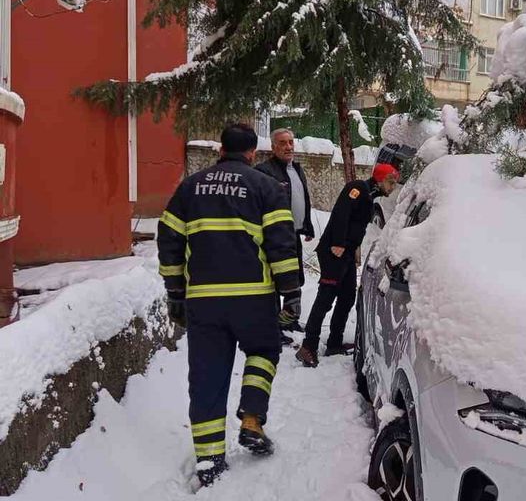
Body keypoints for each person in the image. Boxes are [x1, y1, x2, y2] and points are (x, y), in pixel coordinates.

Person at [157, 123, 302, 487]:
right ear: (253, 152)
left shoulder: (190, 187)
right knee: (264, 350)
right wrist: (291, 291)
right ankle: (252, 418)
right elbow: (281, 243)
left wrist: (175, 291)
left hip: (204, 300)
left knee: (207, 374)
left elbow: (169, 238)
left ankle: (209, 458)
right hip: (253, 297)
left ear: (221, 148)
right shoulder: (266, 187)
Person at [295, 163, 399, 368]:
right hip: (335, 252)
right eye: (390, 181)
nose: (393, 186)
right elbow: (341, 214)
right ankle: (308, 346)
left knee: (347, 297)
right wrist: (338, 244)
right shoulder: (358, 188)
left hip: (347, 254)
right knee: (326, 298)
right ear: (379, 179)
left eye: (394, 182)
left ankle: (335, 342)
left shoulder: (369, 196)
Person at [255, 128, 315, 343]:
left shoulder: (296, 169)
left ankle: (288, 319)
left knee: (295, 279)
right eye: (283, 143)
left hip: (294, 235)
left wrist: (307, 226)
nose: (289, 146)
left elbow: (302, 199)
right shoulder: (264, 171)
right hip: (274, 239)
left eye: (291, 142)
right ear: (273, 147)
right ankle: (272, 329)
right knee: (275, 282)